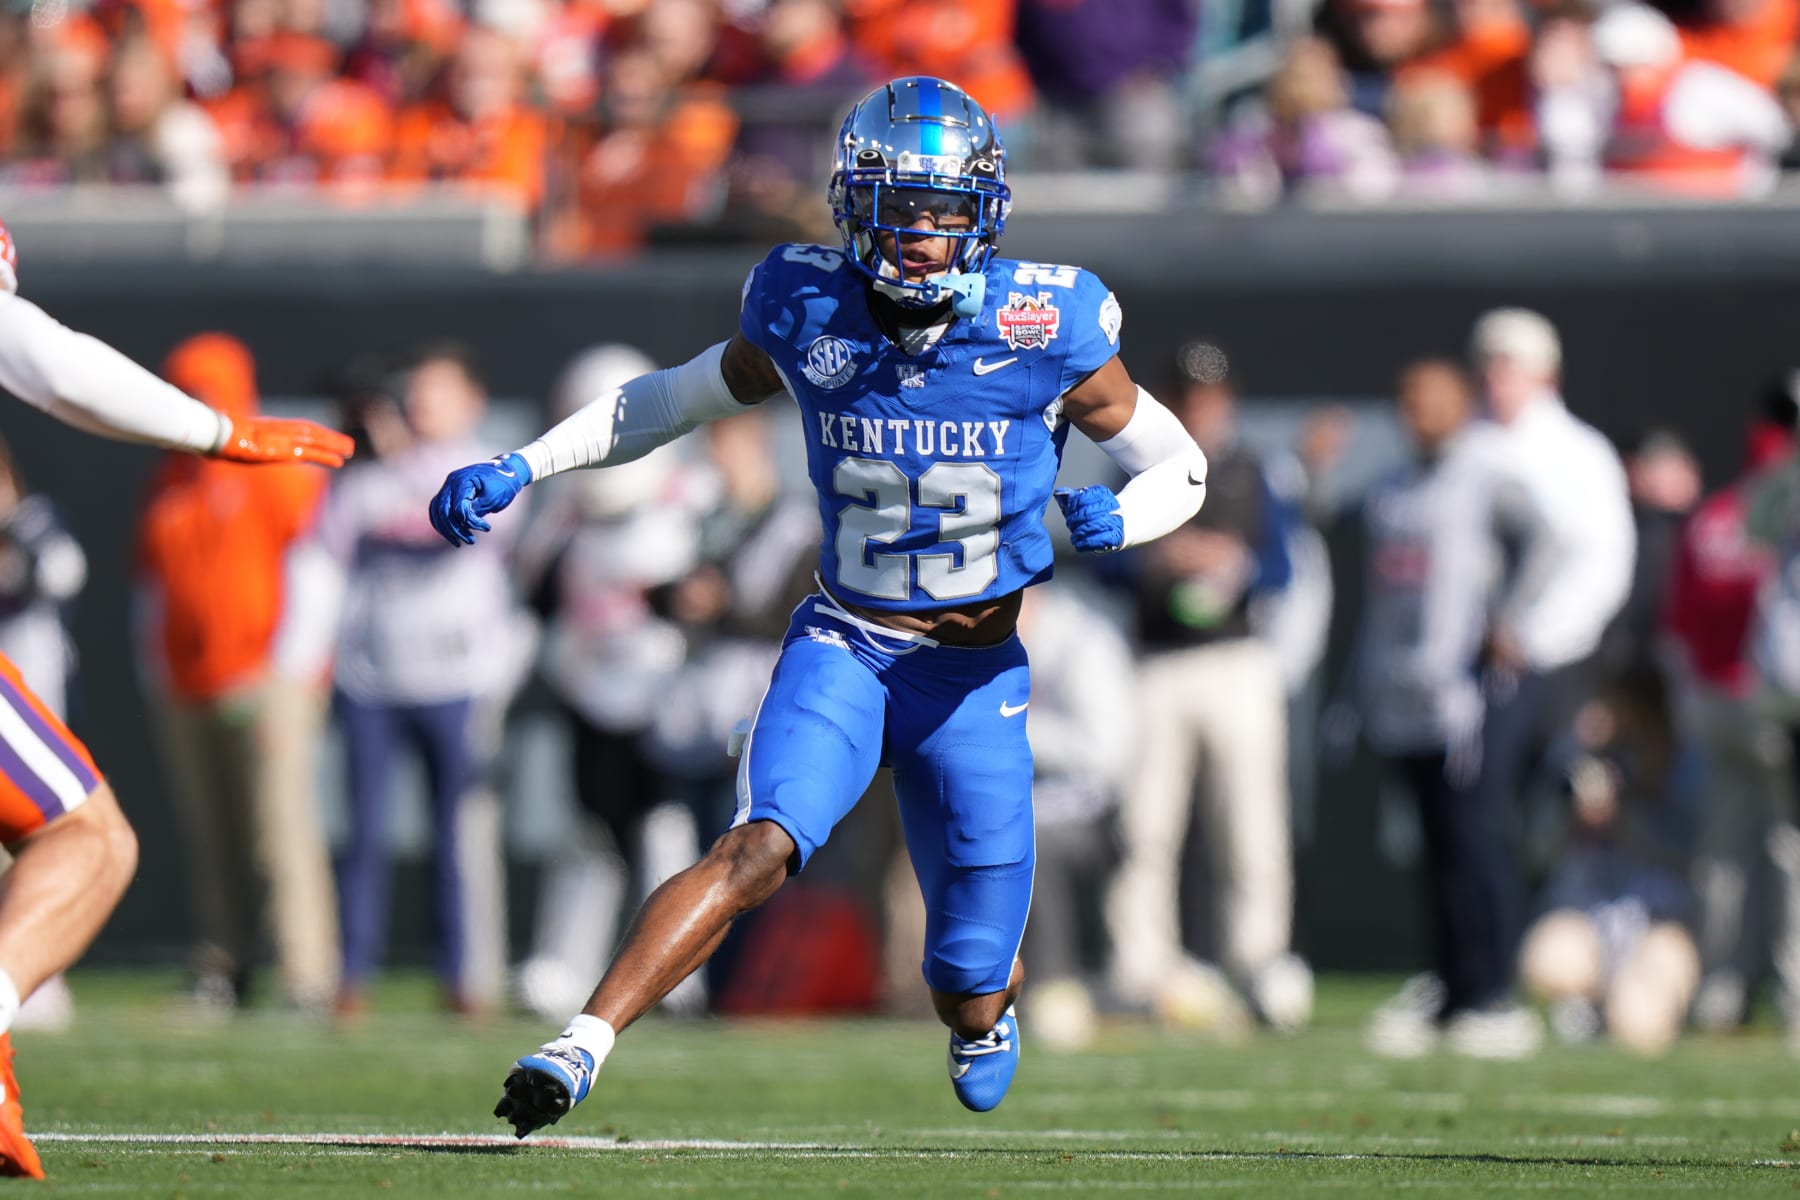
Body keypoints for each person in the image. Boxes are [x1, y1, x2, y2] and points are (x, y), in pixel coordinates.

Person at [428, 77, 1208, 1133]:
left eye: (946, 208)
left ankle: (985, 1010)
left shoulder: (1047, 319)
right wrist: (524, 464)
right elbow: (670, 398)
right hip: (847, 641)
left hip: (976, 673)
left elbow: (1180, 464)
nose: (926, 233)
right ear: (854, 204)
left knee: (967, 979)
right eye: (905, 206)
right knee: (758, 847)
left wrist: (1136, 513)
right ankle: (579, 1045)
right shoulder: (805, 302)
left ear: (983, 210)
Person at [0, 218, 351, 1176]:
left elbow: (310, 575)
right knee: (87, 836)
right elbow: (38, 355)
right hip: (195, 680)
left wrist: (283, 666)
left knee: (271, 835)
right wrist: (219, 432)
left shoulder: (215, 492)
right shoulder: (176, 479)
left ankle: (301, 974)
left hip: (255, 677)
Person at [1103, 340, 1312, 1035]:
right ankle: (1141, 967)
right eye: (1188, 398)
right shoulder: (1138, 468)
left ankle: (1258, 962)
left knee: (1251, 824)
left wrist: (1235, 564)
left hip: (1236, 660)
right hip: (1159, 659)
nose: (1199, 409)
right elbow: (1097, 558)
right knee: (1145, 824)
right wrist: (1155, 557)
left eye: (1210, 398)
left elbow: (1284, 569)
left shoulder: (1257, 472)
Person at [312, 343, 525, 1021]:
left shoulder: (491, 471)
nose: (420, 403)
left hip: (456, 679)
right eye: (415, 391)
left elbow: (461, 530)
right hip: (373, 679)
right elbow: (325, 553)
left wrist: (404, 460)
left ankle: (462, 976)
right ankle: (352, 975)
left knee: (455, 839)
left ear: (472, 400)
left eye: (437, 390)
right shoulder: (367, 476)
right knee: (365, 836)